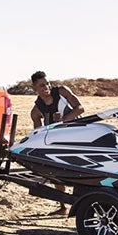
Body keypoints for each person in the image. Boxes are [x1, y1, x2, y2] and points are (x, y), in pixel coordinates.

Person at [29, 71, 85, 216]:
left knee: (80, 171)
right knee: (55, 171)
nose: (46, 87)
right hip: (59, 141)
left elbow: (80, 108)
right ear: (35, 88)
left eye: (47, 83)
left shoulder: (62, 91)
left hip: (77, 135)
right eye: (42, 85)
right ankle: (63, 207)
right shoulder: (37, 110)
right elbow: (39, 133)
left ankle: (82, 203)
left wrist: (63, 119)